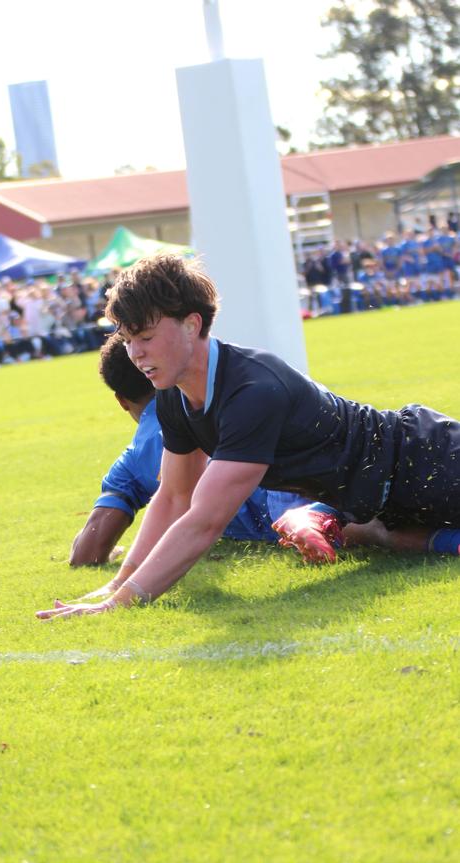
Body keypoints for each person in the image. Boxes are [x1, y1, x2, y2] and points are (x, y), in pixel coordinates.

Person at [37, 254, 460, 620]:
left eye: (145, 338)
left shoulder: (252, 390)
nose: (136, 354)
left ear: (191, 324)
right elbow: (173, 497)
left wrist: (124, 601)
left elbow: (204, 520)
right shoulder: (172, 397)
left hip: (428, 461)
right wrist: (118, 584)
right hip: (388, 501)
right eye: (128, 341)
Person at [70, 334, 307, 566]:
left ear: (121, 401)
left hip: (282, 523)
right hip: (302, 496)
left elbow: (87, 552)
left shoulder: (131, 463)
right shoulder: (226, 399)